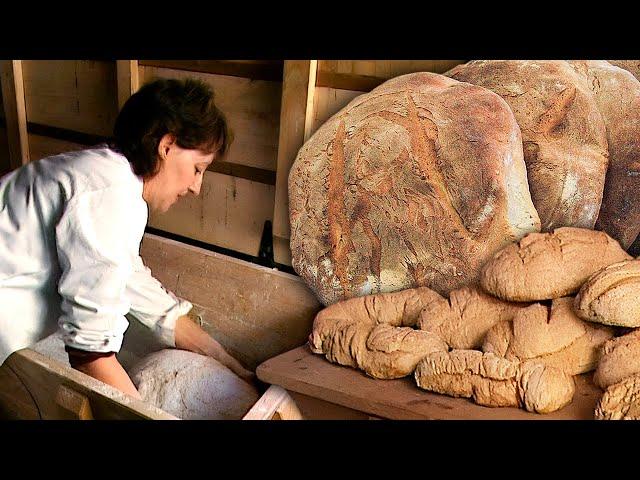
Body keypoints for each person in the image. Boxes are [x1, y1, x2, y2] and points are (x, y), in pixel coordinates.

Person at [0, 77, 255, 400]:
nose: (196, 187)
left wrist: (228, 362)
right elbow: (89, 353)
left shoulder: (105, 175)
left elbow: (135, 286)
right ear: (167, 146)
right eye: (198, 168)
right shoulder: (112, 195)